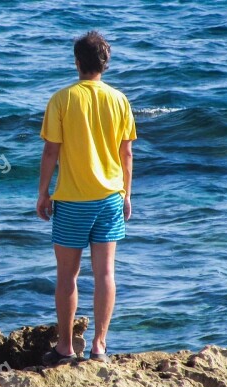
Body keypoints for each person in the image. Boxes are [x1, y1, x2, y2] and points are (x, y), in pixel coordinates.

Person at [36, 31, 137, 365]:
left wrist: (43, 194)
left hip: (73, 200)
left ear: (77, 63)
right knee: (105, 273)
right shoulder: (120, 100)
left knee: (68, 276)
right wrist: (127, 194)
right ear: (105, 64)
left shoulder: (62, 99)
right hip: (109, 196)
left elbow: (51, 151)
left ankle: (65, 347)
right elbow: (127, 154)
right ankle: (99, 346)